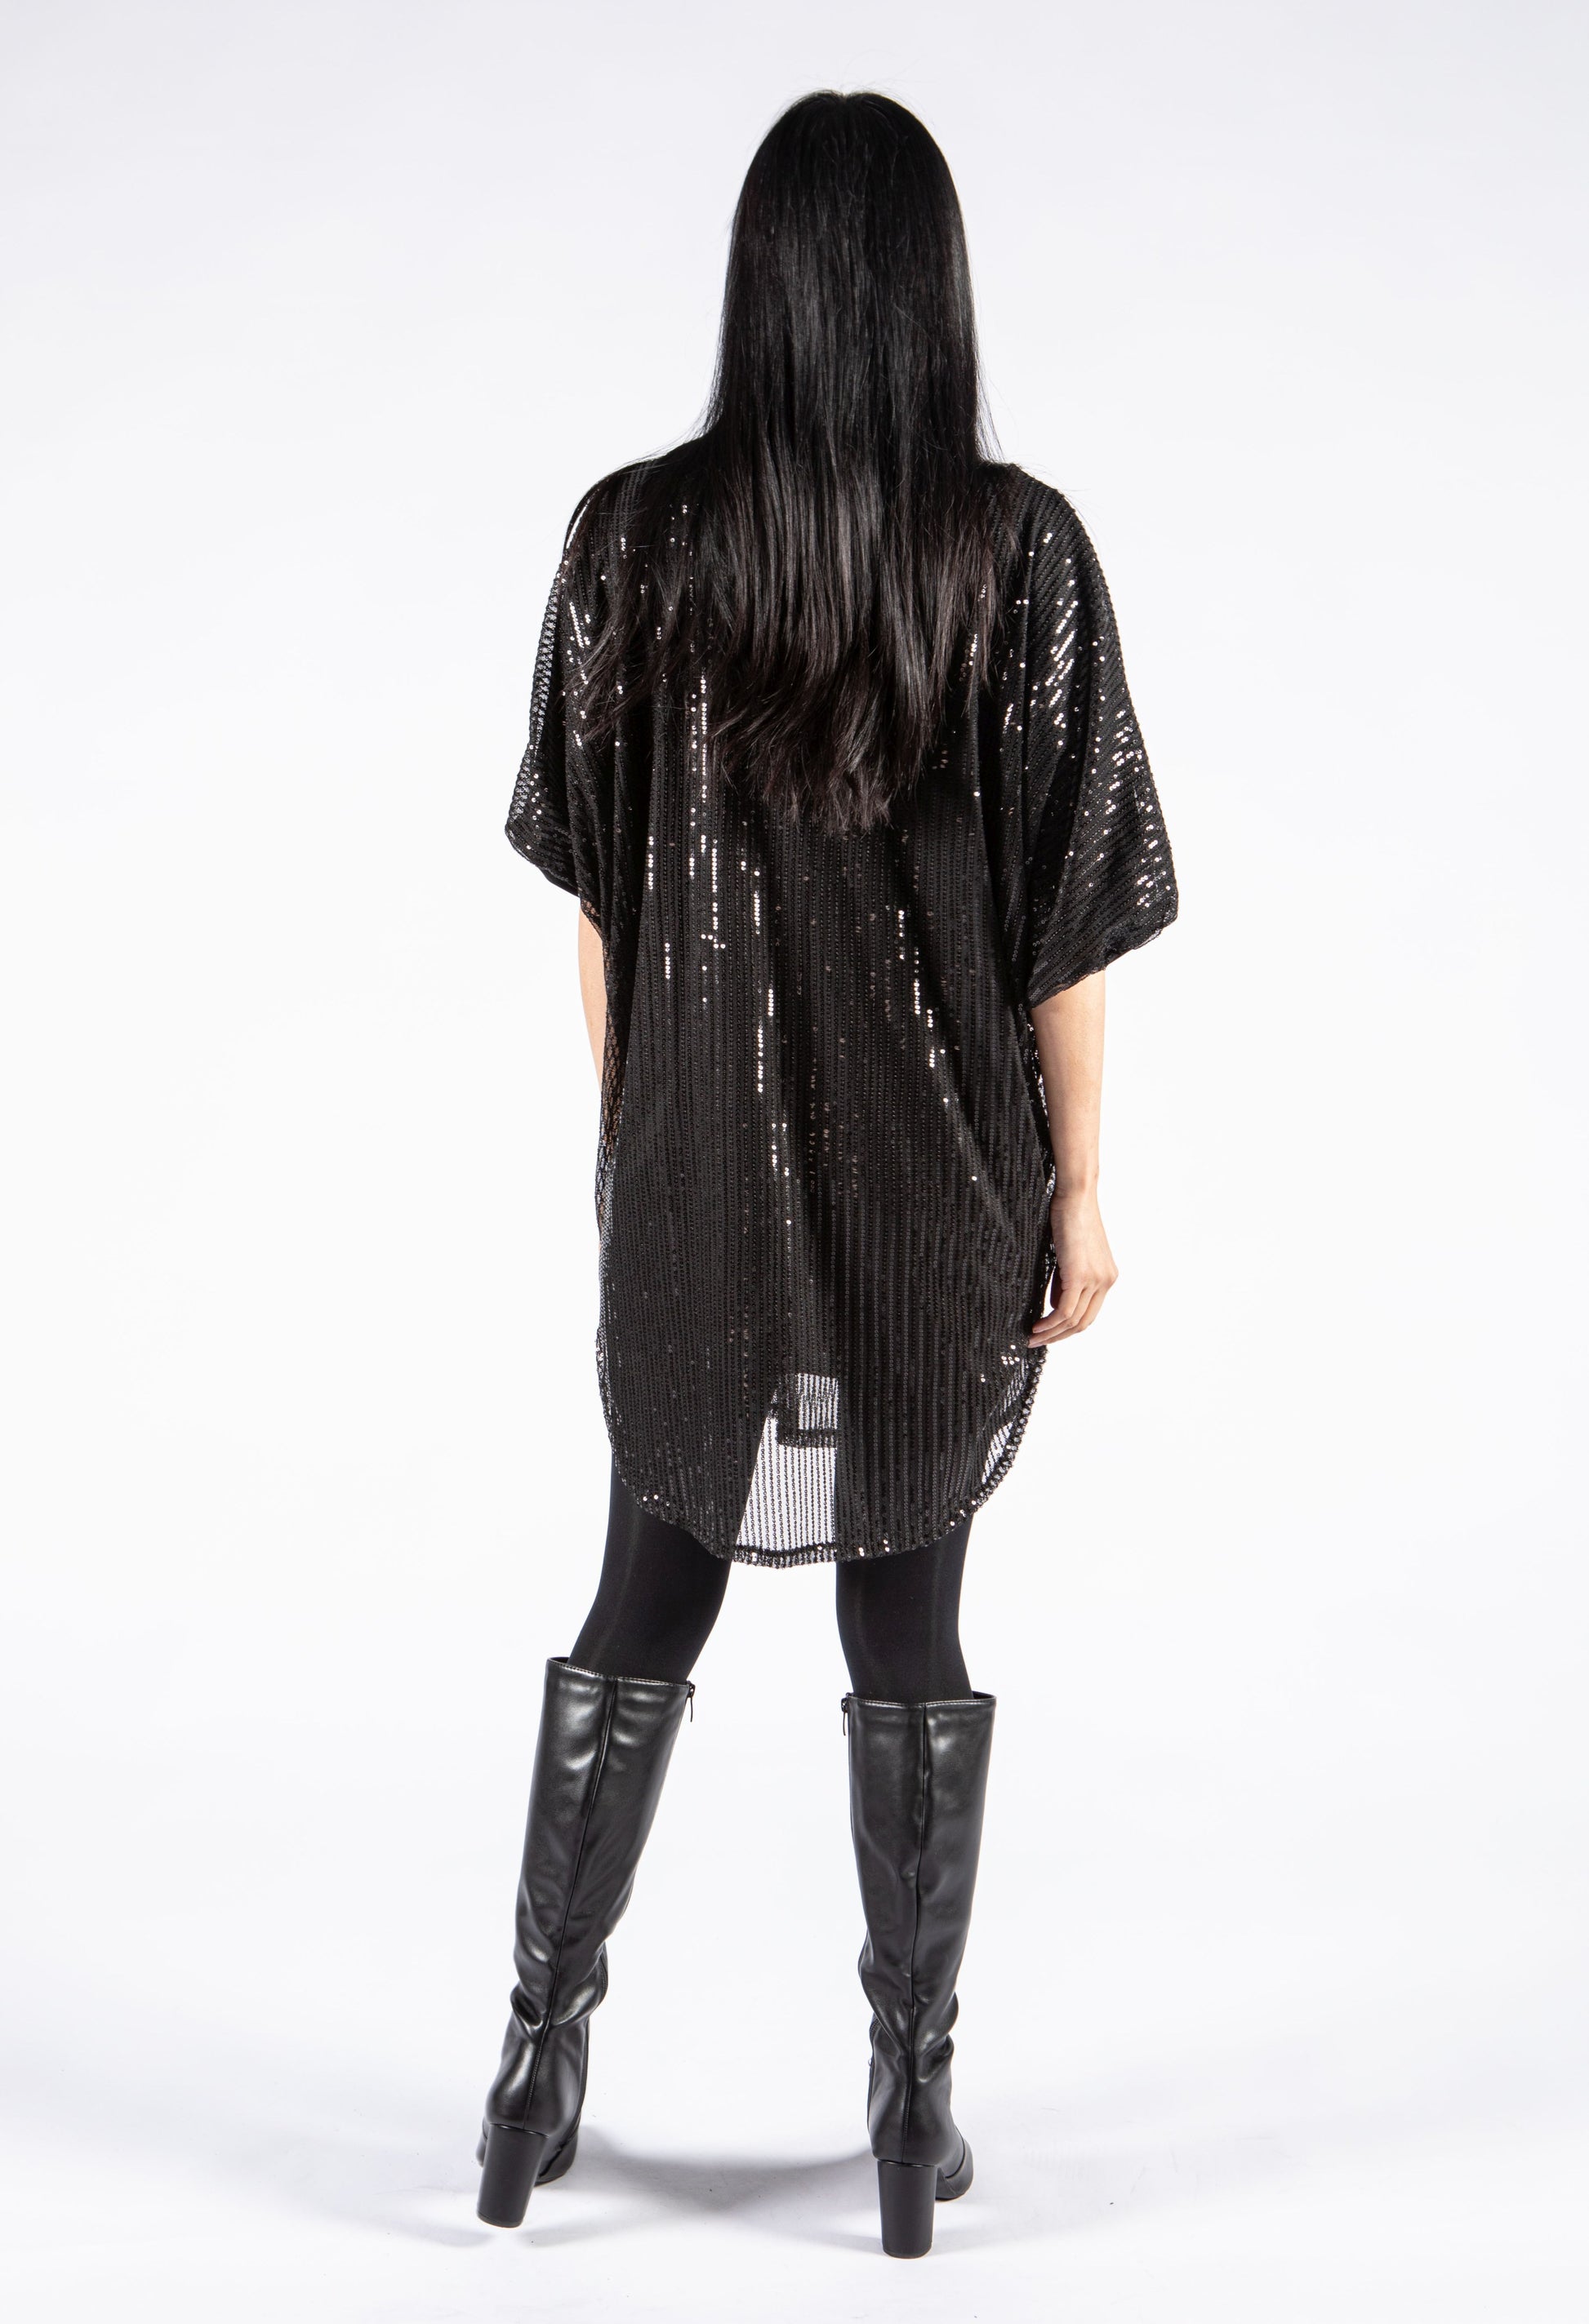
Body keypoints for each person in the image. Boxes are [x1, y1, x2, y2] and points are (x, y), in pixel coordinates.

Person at [475, 90, 1177, 2260]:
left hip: (693, 1186)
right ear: (928, 293)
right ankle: (908, 2106)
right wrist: (1077, 1187)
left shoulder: (632, 541)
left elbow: (601, 906)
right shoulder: (1013, 553)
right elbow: (1064, 921)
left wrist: (643, 1153)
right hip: (937, 1189)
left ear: (759, 286)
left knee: (644, 1593)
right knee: (908, 1615)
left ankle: (529, 2068)